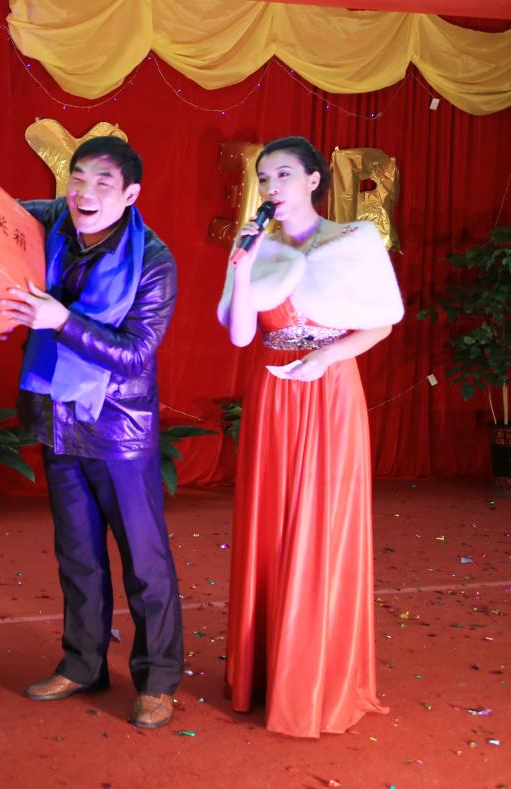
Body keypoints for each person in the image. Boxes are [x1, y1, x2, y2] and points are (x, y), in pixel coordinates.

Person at [216, 135, 403, 738]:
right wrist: (243, 267)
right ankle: (265, 671)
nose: (271, 187)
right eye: (264, 177)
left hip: (331, 389)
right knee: (270, 523)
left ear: (314, 180)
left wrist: (324, 359)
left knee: (324, 524)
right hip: (273, 392)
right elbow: (241, 335)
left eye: (284, 175)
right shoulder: (256, 245)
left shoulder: (354, 240)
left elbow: (382, 322)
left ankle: (317, 676)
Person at [1, 136, 184, 729]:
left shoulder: (153, 260)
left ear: (130, 195)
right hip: (58, 418)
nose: (84, 192)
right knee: (78, 556)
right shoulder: (53, 218)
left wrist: (61, 320)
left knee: (144, 561)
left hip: (119, 429)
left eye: (103, 182)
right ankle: (83, 664)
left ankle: (158, 679)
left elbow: (135, 354)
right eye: (77, 177)